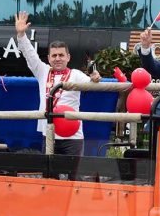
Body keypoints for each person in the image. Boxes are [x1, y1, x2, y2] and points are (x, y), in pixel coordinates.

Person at [15, 11, 101, 156]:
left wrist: (95, 77)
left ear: (68, 57)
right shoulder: (43, 71)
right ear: (48, 58)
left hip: (73, 136)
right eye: (54, 55)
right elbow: (29, 54)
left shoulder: (76, 74)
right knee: (50, 176)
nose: (58, 58)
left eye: (61, 55)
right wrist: (21, 35)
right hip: (49, 134)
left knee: (73, 177)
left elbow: (94, 85)